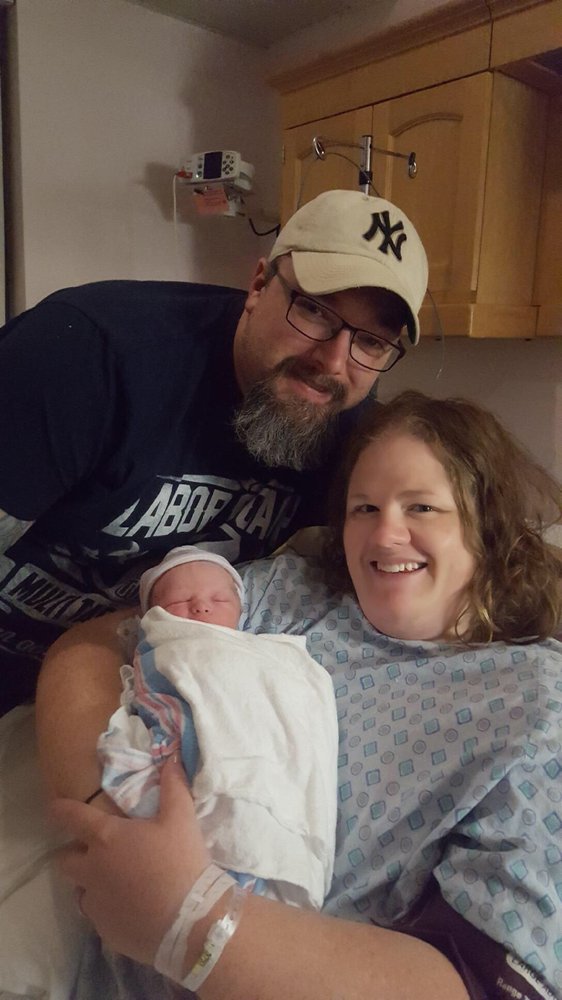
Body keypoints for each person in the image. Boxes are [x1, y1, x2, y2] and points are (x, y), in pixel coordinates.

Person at [49, 390, 562, 1000]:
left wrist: (188, 920)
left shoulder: (534, 704)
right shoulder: (289, 595)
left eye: (422, 507)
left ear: (489, 526)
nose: (385, 533)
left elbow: (494, 983)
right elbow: (89, 649)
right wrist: (111, 825)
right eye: (364, 507)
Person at [0, 188, 428, 716]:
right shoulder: (83, 355)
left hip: (139, 682)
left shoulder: (347, 428)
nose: (335, 363)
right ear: (259, 285)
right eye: (316, 311)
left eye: (372, 343)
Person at [98, 544, 338, 910]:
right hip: (183, 792)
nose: (201, 607)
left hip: (262, 777)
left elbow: (294, 703)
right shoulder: (162, 647)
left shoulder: (265, 653)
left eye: (219, 599)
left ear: (241, 610)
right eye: (180, 601)